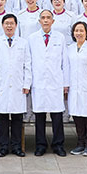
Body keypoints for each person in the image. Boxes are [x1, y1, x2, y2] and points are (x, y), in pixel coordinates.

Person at [0, 14, 31, 157]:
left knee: (18, 118)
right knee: (3, 118)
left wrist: (27, 83)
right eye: (6, 23)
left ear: (16, 25)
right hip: (2, 85)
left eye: (12, 23)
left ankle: (17, 147)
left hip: (19, 85)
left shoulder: (23, 43)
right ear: (2, 25)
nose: (9, 26)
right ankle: (3, 147)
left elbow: (27, 65)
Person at [28, 9, 67, 157]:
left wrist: (66, 83)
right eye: (43, 18)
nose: (45, 20)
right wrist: (29, 82)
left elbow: (65, 62)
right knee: (39, 116)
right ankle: (40, 145)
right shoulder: (32, 38)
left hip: (56, 81)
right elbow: (29, 62)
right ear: (39, 21)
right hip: (38, 81)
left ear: (53, 21)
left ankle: (58, 145)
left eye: (48, 18)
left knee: (57, 115)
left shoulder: (60, 37)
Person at [65, 21, 87, 156]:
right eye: (76, 31)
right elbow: (66, 68)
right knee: (78, 118)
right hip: (74, 88)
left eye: (81, 30)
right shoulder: (69, 48)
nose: (78, 33)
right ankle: (80, 144)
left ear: (86, 33)